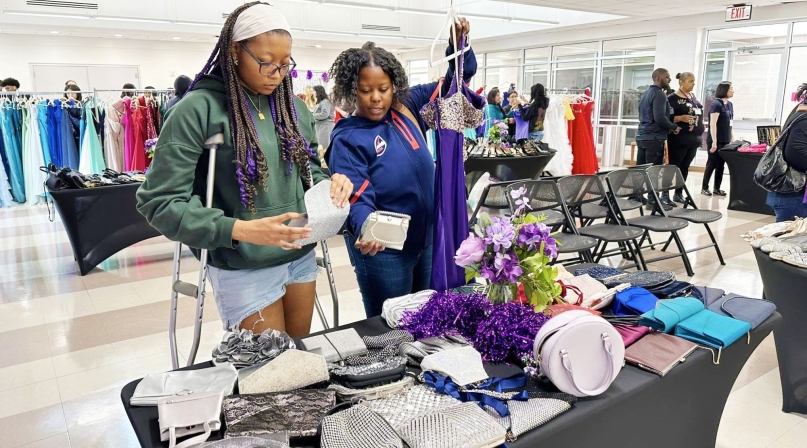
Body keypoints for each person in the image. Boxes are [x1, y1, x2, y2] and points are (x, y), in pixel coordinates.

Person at [137, 2, 353, 336]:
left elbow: (311, 172)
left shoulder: (293, 107)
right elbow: (160, 202)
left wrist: (331, 187)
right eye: (266, 63)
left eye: (285, 64)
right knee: (267, 375)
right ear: (236, 51)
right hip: (243, 263)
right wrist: (239, 229)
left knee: (299, 366)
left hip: (299, 257)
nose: (277, 74)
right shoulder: (197, 110)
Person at [326, 18, 476, 318]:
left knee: (426, 317)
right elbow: (357, 196)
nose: (376, 98)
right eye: (366, 90)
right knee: (391, 326)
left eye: (383, 88)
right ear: (352, 90)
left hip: (427, 238)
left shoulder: (407, 106)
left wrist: (458, 45)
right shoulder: (348, 137)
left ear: (394, 85)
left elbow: (456, 81)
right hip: (385, 250)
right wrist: (366, 227)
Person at [636, 68, 680, 209]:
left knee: (642, 169)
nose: (670, 80)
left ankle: (636, 196)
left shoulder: (645, 94)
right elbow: (660, 117)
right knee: (653, 171)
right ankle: (653, 201)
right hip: (654, 137)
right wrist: (673, 126)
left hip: (642, 136)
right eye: (667, 77)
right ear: (658, 79)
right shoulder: (659, 94)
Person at [766, 84, 807, 222]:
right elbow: (796, 153)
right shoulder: (804, 117)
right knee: (791, 241)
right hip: (794, 194)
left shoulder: (800, 112)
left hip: (794, 193)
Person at [667, 72, 701, 203]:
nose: (693, 84)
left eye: (694, 81)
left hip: (692, 139)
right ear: (682, 82)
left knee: (685, 167)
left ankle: (679, 192)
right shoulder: (672, 98)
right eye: (690, 81)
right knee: (673, 167)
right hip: (678, 139)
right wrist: (679, 118)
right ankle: (665, 195)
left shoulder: (692, 97)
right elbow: (665, 117)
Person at [702, 81, 734, 197]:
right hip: (715, 139)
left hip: (725, 139)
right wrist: (714, 141)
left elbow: (730, 122)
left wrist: (731, 136)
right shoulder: (716, 104)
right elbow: (713, 124)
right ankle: (705, 187)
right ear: (724, 90)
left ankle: (717, 188)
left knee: (721, 164)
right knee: (712, 163)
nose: (733, 91)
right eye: (731, 89)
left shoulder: (729, 105)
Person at [311, 85, 335, 150]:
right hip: (321, 127)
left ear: (318, 92)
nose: (312, 93)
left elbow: (324, 114)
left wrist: (312, 115)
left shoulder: (325, 102)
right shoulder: (321, 102)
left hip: (325, 128)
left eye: (313, 91)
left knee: (324, 148)